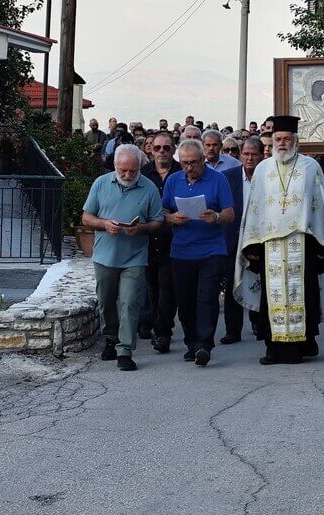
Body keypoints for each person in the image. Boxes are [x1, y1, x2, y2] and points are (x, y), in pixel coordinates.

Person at [234, 116, 324, 364]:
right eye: (278, 139)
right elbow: (254, 209)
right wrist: (252, 244)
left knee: (304, 294)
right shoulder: (262, 169)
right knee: (271, 296)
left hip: (303, 243)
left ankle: (304, 344)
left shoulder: (310, 167)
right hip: (270, 245)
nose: (282, 143)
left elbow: (323, 205)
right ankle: (273, 349)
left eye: (286, 139)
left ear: (295, 141)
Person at [81, 144, 164, 371]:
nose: (128, 175)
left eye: (132, 171)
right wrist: (103, 224)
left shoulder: (149, 187)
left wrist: (140, 228)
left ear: (139, 167)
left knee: (130, 302)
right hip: (105, 255)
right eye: (123, 170)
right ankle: (110, 338)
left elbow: (158, 221)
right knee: (106, 300)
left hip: (135, 256)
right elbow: (86, 217)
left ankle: (125, 350)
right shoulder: (101, 183)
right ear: (115, 166)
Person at [162, 138, 234, 367]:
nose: (189, 167)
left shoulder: (218, 179)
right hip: (182, 251)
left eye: (193, 162)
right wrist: (171, 218)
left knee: (207, 298)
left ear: (203, 159)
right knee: (185, 301)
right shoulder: (173, 180)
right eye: (184, 163)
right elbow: (162, 210)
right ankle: (191, 343)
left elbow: (230, 213)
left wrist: (216, 217)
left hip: (212, 249)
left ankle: (204, 344)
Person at [220, 137, 264, 344]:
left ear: (261, 155)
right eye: (245, 154)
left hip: (259, 238)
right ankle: (232, 330)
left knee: (258, 282)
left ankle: (259, 324)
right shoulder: (228, 177)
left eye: (254, 154)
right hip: (233, 238)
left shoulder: (268, 176)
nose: (249, 158)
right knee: (232, 284)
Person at [140, 131, 180, 353]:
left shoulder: (181, 172)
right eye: (157, 148)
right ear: (151, 150)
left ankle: (164, 331)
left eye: (166, 147)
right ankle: (156, 325)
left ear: (173, 149)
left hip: (174, 240)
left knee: (168, 287)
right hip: (148, 240)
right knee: (152, 287)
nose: (162, 152)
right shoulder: (143, 174)